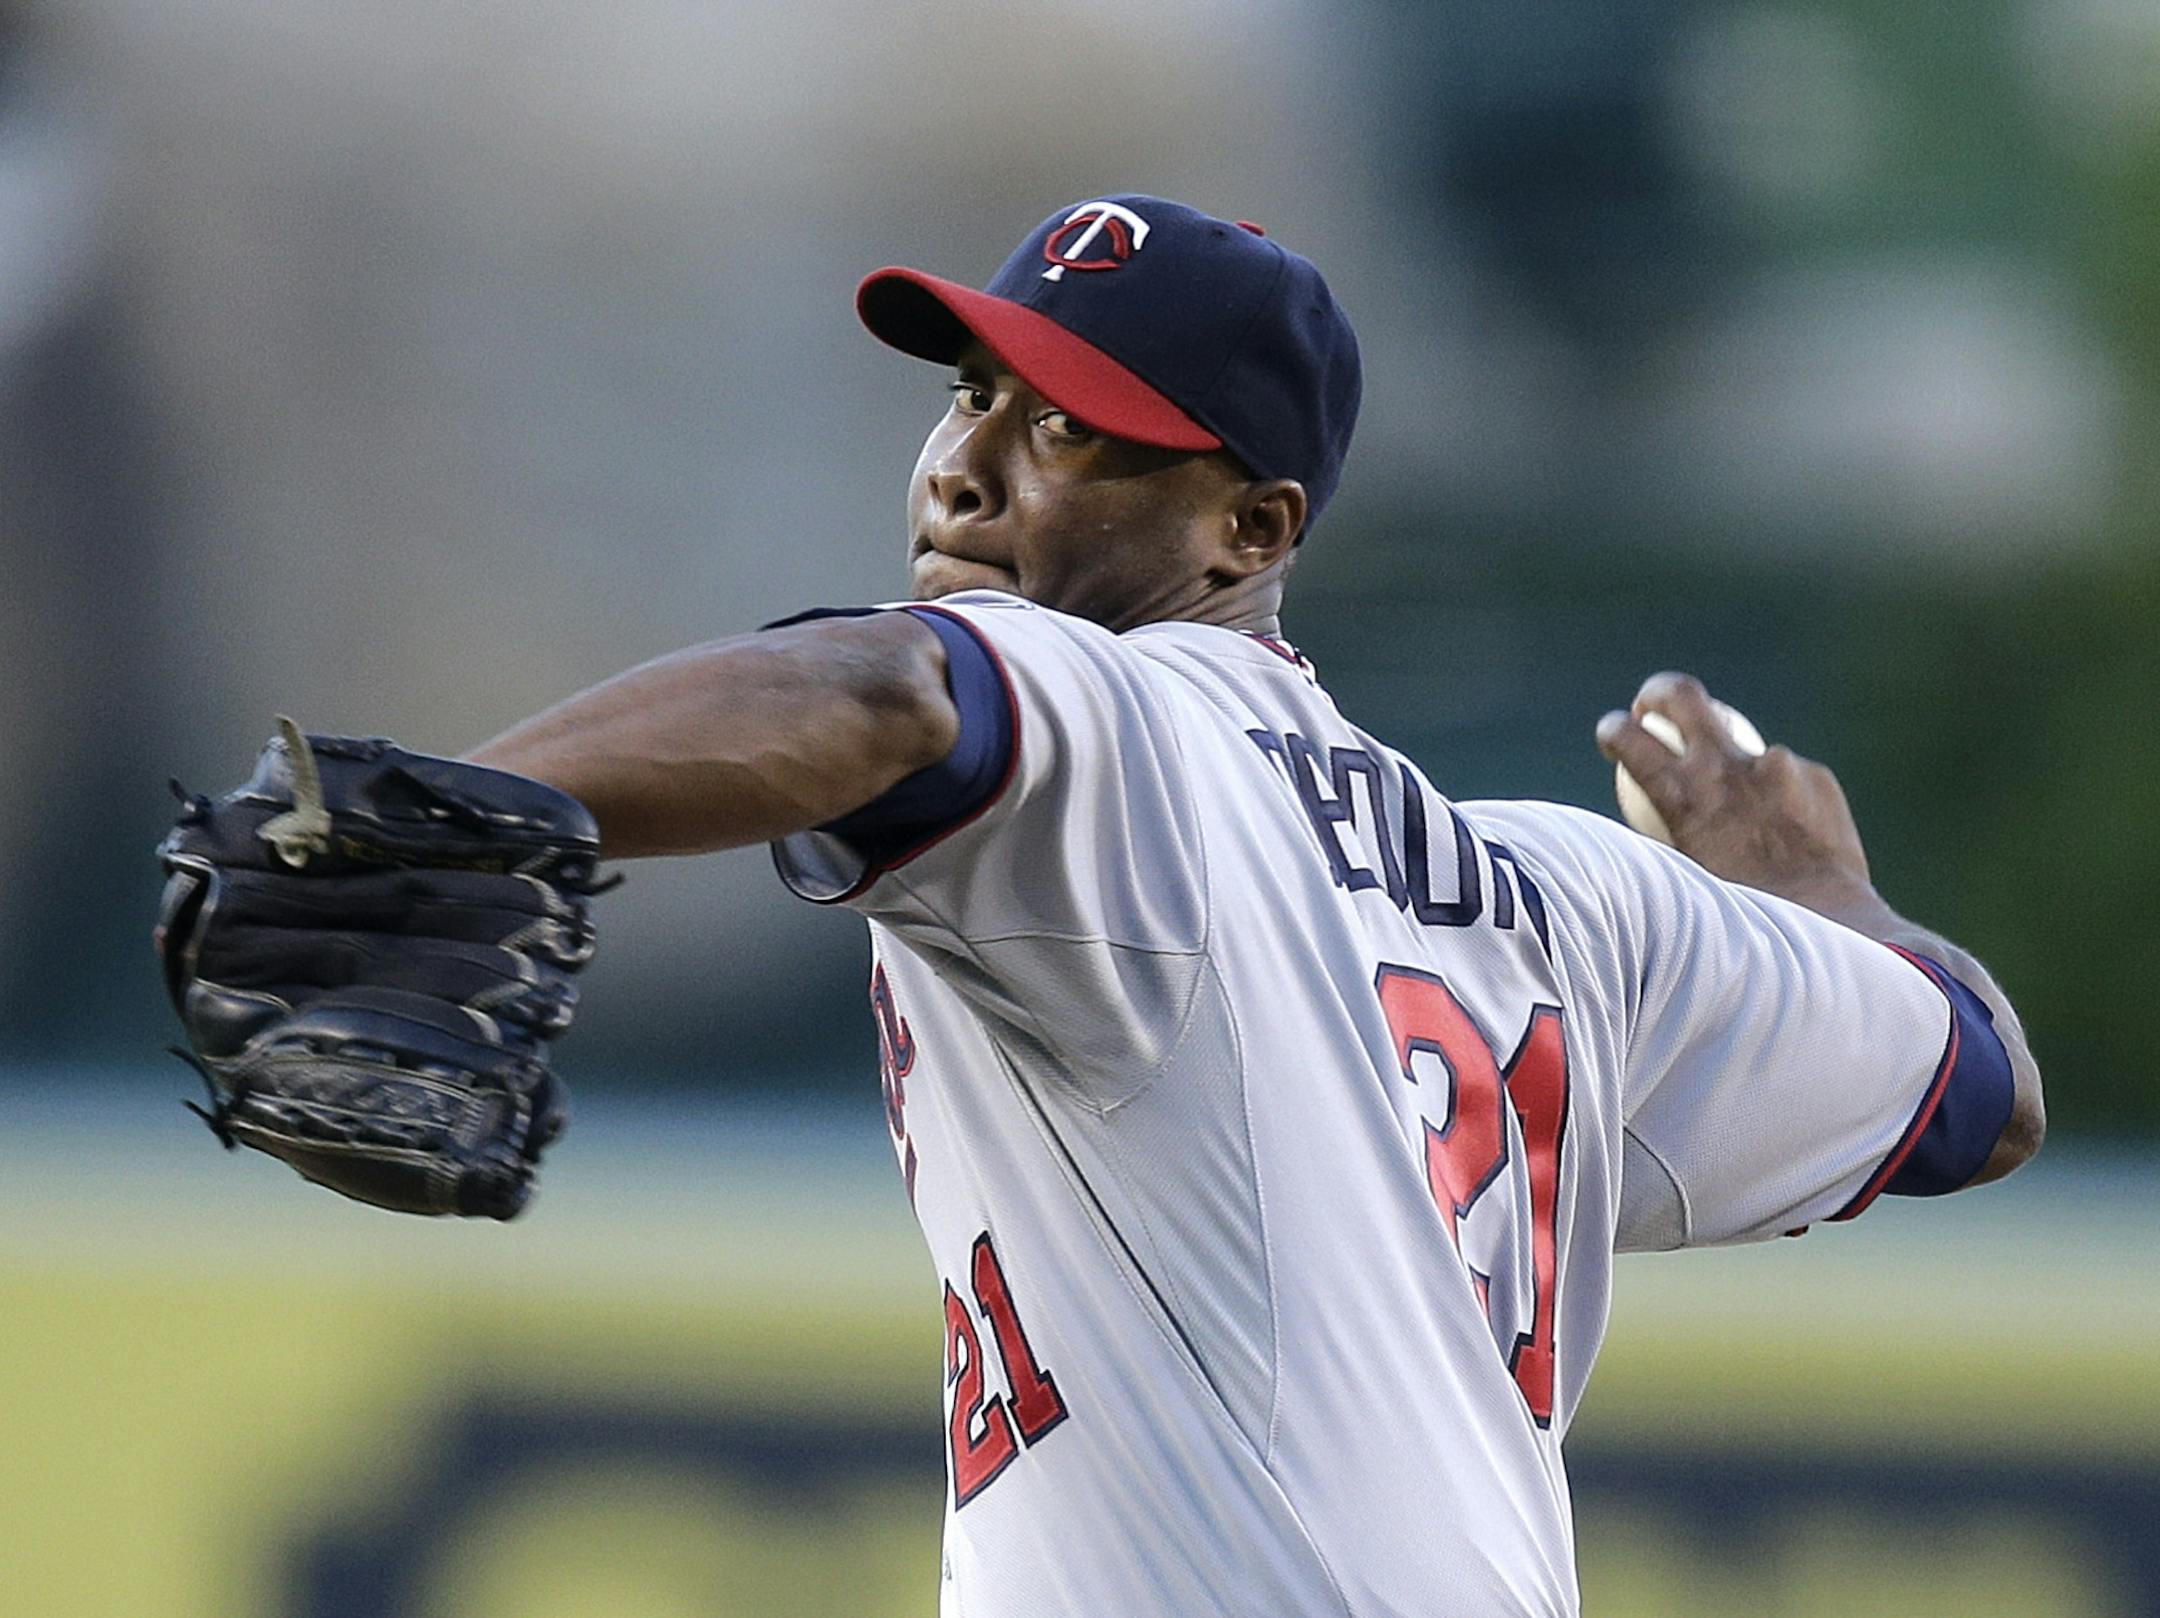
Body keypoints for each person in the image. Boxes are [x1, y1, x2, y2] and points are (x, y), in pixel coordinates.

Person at [468, 196, 2044, 1617]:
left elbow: (888, 689)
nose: (962, 470)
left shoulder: (1132, 729)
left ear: (1251, 528)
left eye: (1066, 432)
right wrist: (1821, 887)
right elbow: (1976, 1080)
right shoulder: (1583, 904)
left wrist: (452, 818)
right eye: (970, 397)